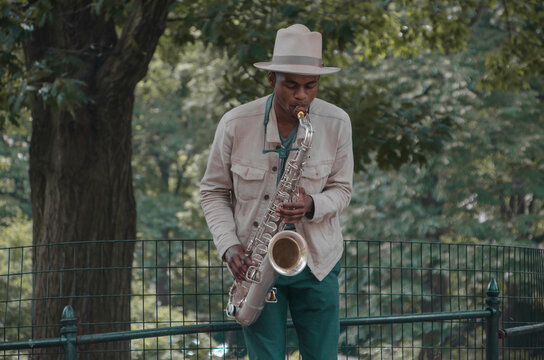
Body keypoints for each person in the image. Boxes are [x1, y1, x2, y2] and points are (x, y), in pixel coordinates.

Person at [200, 24, 353, 360]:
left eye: (310, 86)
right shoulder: (235, 123)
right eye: (291, 85)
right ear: (272, 79)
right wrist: (228, 247)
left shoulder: (337, 122)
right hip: (256, 264)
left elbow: (342, 190)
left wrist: (312, 204)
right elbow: (212, 192)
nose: (301, 97)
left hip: (318, 262)